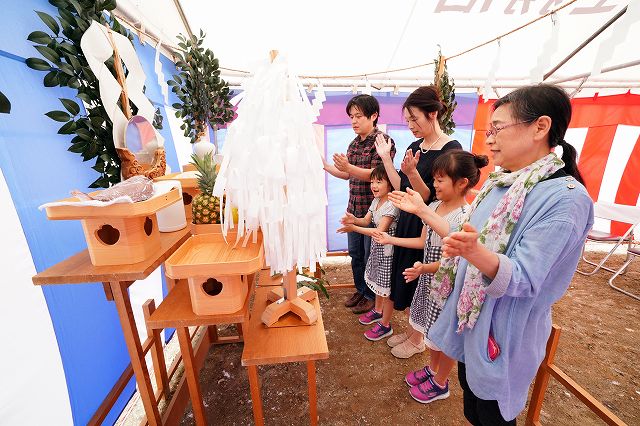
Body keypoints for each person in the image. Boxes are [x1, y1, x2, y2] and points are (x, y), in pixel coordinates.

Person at [427, 84, 594, 424]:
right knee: (473, 406)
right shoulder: (503, 182)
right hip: (473, 319)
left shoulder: (566, 199)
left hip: (503, 330)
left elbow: (526, 277)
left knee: (493, 413)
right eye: (489, 131)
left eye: (498, 129)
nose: (489, 140)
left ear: (540, 127)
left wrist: (473, 252)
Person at [381, 151, 488, 404]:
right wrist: (390, 239)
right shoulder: (433, 207)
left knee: (445, 336)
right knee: (432, 333)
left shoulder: (465, 216)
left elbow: (456, 260)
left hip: (448, 286)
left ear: (462, 183)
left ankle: (441, 382)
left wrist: (425, 269)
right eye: (435, 179)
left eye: (440, 180)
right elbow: (422, 241)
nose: (435, 185)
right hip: (431, 282)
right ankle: (432, 370)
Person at [374, 86, 462, 358]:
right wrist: (387, 159)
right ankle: (413, 332)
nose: (411, 125)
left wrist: (412, 174)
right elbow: (400, 184)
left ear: (432, 114)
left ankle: (417, 339)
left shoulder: (450, 149)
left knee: (421, 277)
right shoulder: (415, 146)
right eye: (408, 120)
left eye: (415, 119)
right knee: (409, 277)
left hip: (427, 221)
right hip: (409, 220)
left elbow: (428, 195)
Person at [324, 94, 396, 315]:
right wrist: (326, 167)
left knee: (370, 255)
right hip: (355, 208)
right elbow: (348, 175)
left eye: (359, 116)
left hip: (376, 212)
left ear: (373, 116)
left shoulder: (383, 142)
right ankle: (361, 290)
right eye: (351, 117)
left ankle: (371, 296)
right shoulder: (353, 143)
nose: (354, 121)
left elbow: (377, 175)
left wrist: (348, 167)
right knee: (355, 254)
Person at [337, 165, 399, 340]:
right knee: (378, 282)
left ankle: (385, 324)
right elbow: (366, 221)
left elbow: (379, 231)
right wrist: (354, 219)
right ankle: (377, 311)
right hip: (377, 249)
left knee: (385, 287)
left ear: (390, 184)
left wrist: (353, 227)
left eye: (379, 181)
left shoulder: (392, 205)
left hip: (388, 252)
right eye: (372, 181)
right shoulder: (375, 201)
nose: (374, 185)